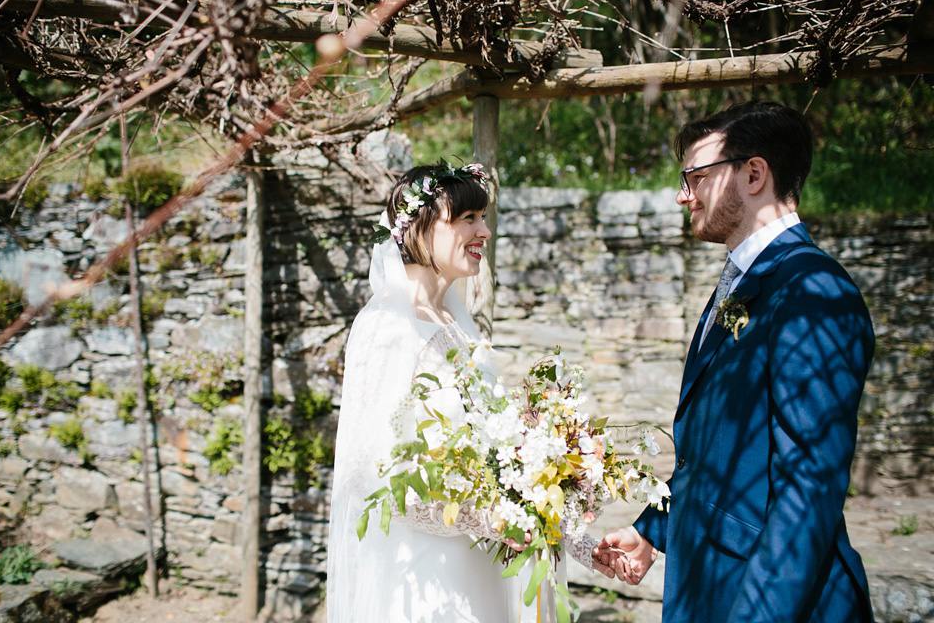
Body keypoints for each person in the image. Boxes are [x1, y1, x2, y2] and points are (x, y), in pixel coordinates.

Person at [594, 101, 875, 622]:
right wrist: (652, 531)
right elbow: (713, 450)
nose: (684, 195)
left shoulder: (813, 292)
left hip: (768, 600)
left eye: (697, 178)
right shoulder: (745, 280)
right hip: (711, 587)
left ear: (753, 174)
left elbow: (807, 488)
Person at [327, 162, 610, 623]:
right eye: (467, 219)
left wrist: (579, 541)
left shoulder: (458, 326)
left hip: (480, 569)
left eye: (483, 216)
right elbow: (368, 473)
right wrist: (486, 518)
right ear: (419, 227)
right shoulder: (386, 327)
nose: (485, 231)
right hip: (423, 579)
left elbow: (502, 462)